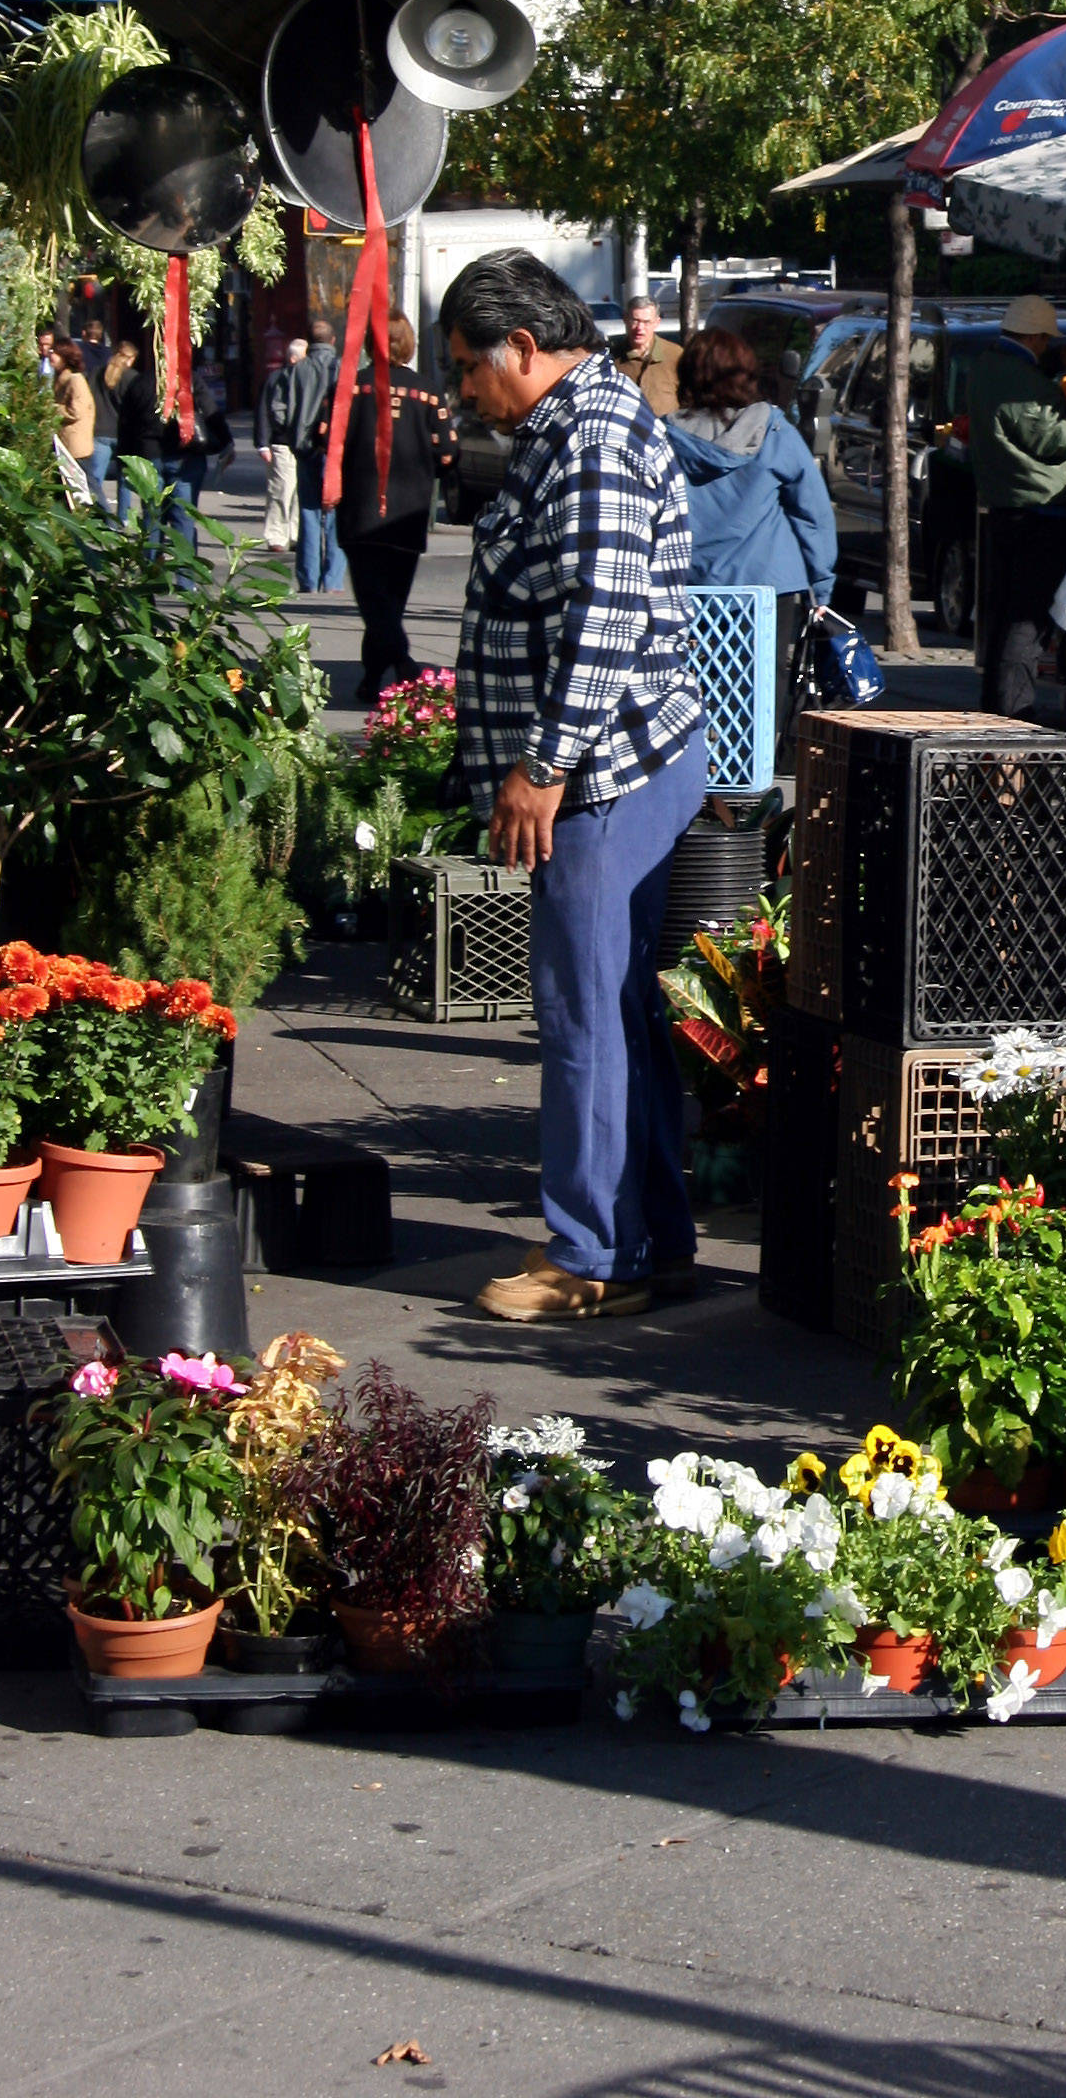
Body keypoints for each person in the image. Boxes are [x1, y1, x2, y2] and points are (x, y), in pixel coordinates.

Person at [443, 249, 707, 1326]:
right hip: (621, 759)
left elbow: (600, 620)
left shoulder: (592, 435)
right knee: (614, 1011)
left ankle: (591, 1256)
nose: (464, 387)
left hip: (602, 769)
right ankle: (641, 1238)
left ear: (521, 347)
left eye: (469, 365)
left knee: (583, 1016)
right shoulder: (581, 421)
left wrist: (541, 767)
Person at [667, 323, 837, 746]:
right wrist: (822, 585)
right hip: (766, 584)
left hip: (687, 586)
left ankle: (699, 767)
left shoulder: (662, 436)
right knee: (760, 681)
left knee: (690, 680)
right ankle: (752, 775)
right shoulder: (775, 431)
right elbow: (811, 512)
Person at [965, 295, 1066, 719]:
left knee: (1008, 618)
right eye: (1045, 340)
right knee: (1026, 625)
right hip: (1037, 513)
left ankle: (996, 714)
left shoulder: (992, 365)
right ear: (1033, 335)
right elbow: (1052, 437)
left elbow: (1032, 374)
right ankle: (1012, 718)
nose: (1046, 347)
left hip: (1008, 509)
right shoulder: (1017, 380)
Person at [307, 312, 453, 707]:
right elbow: (448, 453)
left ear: (371, 345)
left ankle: (384, 672)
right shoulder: (427, 392)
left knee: (375, 601)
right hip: (409, 509)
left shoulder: (347, 390)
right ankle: (390, 670)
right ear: (408, 343)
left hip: (360, 507)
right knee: (388, 600)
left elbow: (320, 436)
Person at [292, 316, 342, 594]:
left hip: (304, 447)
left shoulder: (298, 370)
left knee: (309, 513)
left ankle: (309, 579)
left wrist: (292, 434)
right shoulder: (342, 368)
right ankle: (333, 580)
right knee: (334, 515)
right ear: (332, 341)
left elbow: (280, 407)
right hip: (333, 447)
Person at [99, 341, 164, 525]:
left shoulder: (99, 373)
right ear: (131, 358)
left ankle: (101, 514)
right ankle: (122, 517)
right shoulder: (134, 378)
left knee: (94, 481)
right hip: (121, 432)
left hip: (100, 430)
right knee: (125, 480)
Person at [257, 335, 308, 555]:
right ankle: (277, 535)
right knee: (281, 491)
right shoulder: (276, 379)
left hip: (302, 444)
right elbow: (264, 411)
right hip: (282, 443)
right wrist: (262, 444)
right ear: (295, 358)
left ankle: (295, 534)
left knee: (299, 492)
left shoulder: (306, 378)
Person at [49, 335, 110, 510]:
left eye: (56, 353)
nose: (51, 355)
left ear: (66, 356)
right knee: (70, 489)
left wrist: (51, 408)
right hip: (64, 444)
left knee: (89, 487)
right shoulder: (60, 379)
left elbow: (77, 410)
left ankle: (110, 523)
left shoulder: (75, 380)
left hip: (76, 446)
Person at [612, 293, 680, 419]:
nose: (640, 328)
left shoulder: (675, 355)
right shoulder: (612, 359)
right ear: (625, 319)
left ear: (657, 322)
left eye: (646, 322)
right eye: (635, 321)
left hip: (668, 433)